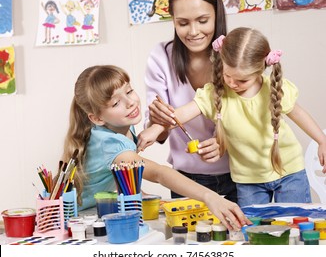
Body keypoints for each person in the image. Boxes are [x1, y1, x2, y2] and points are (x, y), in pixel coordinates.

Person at [138, 27, 326, 207]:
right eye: (228, 75)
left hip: (289, 171)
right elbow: (182, 114)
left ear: (260, 70)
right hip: (248, 179)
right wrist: (155, 129)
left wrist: (322, 141)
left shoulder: (274, 90)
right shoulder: (215, 93)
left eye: (242, 80)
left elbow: (299, 113)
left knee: (296, 224)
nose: (232, 83)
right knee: (251, 230)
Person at [61, 64, 250, 230]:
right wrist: (210, 197)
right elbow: (158, 173)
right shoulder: (110, 144)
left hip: (101, 213)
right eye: (116, 103)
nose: (130, 103)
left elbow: (120, 177)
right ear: (97, 118)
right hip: (84, 222)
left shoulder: (121, 129)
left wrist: (143, 196)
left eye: (129, 91)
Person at [144, 0, 237, 202]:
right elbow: (159, 133)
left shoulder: (236, 54)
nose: (193, 32)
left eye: (203, 21)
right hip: (186, 181)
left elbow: (256, 119)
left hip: (242, 176)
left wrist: (226, 142)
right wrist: (157, 122)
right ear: (173, 19)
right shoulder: (161, 58)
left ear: (217, 14)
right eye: (183, 23)